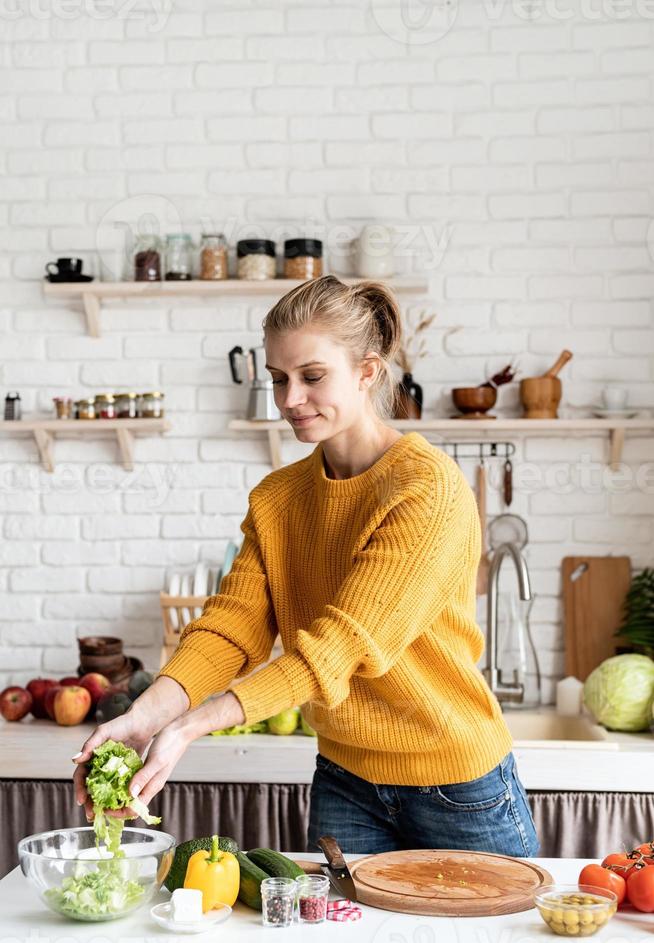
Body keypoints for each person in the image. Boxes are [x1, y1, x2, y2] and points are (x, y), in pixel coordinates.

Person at [73, 274, 539, 857]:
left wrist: (191, 725)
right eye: (278, 379)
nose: (291, 400)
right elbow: (230, 629)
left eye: (313, 377)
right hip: (345, 782)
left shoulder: (425, 488)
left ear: (367, 372)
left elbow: (339, 648)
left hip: (456, 785)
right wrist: (144, 718)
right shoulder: (279, 497)